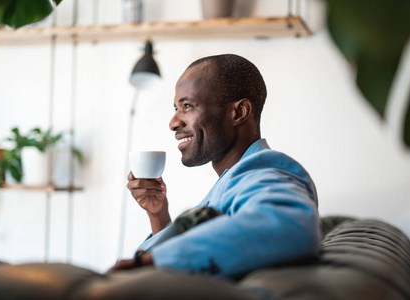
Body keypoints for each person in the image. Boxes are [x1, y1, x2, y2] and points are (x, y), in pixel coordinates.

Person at [112, 54, 320, 278]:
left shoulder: (263, 171)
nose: (173, 123)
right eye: (176, 109)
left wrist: (149, 264)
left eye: (188, 106)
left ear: (239, 112)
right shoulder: (234, 178)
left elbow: (290, 227)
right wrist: (158, 214)